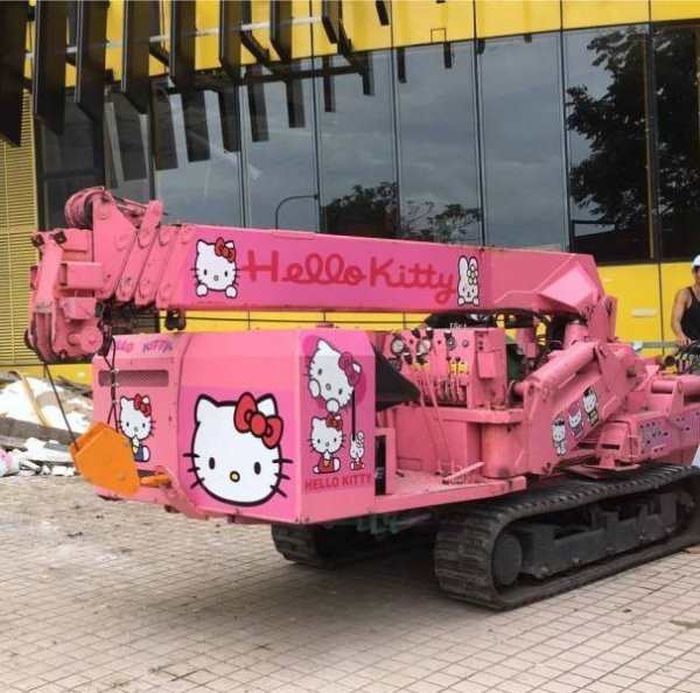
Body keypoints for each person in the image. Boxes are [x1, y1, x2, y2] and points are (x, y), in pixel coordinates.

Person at [671, 255, 700, 346]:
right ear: (694, 273)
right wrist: (680, 335)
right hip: (690, 349)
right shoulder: (685, 294)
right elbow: (675, 321)